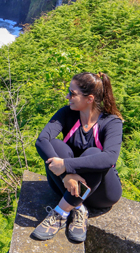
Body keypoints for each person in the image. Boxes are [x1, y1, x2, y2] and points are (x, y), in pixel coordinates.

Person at [31, 72, 123, 244]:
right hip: (65, 185)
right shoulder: (67, 113)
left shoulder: (112, 122)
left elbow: (109, 158)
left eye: (72, 94)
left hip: (102, 194)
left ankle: (60, 213)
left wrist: (66, 165)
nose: (67, 96)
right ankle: (79, 207)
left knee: (95, 154)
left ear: (89, 99)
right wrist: (67, 175)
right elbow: (42, 140)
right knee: (55, 145)